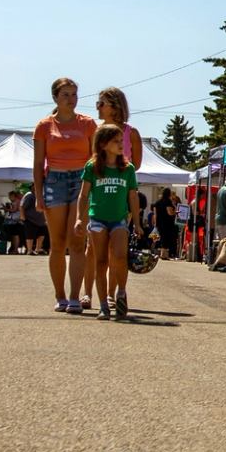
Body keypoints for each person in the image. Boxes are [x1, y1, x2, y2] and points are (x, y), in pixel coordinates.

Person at [35, 78, 98, 314]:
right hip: (55, 181)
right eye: (65, 95)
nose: (71, 99)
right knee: (58, 243)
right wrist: (39, 194)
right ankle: (59, 294)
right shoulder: (44, 126)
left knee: (77, 240)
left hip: (81, 181)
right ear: (55, 98)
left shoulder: (88, 124)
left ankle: (74, 296)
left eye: (74, 94)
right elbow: (38, 163)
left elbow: (95, 158)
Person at [76, 123, 141, 320]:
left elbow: (133, 197)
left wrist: (137, 223)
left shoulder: (128, 168)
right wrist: (80, 218)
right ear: (103, 144)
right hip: (97, 220)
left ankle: (121, 292)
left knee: (120, 257)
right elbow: (84, 195)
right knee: (101, 261)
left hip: (119, 220)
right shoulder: (92, 167)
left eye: (122, 141)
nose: (121, 144)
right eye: (116, 141)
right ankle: (103, 304)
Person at [154, 187, 180, 259]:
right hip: (167, 222)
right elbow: (170, 212)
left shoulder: (157, 202)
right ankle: (164, 255)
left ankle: (162, 254)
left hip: (159, 222)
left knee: (161, 238)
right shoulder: (168, 201)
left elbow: (155, 214)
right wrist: (176, 212)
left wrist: (155, 223)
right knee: (166, 238)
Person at [1, 189, 27, 254]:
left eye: (11, 196)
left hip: (16, 221)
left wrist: (6, 209)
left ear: (14, 196)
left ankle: (15, 249)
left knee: (15, 235)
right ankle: (14, 249)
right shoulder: (15, 201)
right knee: (14, 235)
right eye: (9, 197)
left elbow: (14, 210)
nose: (10, 198)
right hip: (14, 220)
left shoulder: (16, 201)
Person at [22, 189, 47, 254]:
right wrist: (23, 217)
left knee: (41, 235)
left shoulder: (44, 195)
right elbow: (22, 206)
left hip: (41, 220)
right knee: (30, 235)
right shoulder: (29, 195)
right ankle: (29, 250)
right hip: (30, 219)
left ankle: (38, 249)